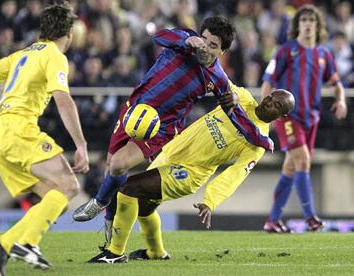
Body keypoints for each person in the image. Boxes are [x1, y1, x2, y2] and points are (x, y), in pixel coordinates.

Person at [73, 16, 273, 244]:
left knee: (119, 165)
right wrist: (188, 42)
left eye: (213, 45)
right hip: (135, 111)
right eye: (204, 39)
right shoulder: (184, 38)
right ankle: (109, 216)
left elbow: (236, 115)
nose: (205, 47)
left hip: (159, 127)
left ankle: (98, 203)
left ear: (222, 52)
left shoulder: (218, 79)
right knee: (112, 166)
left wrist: (261, 139)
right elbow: (159, 35)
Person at [86, 84, 295, 263]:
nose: (269, 102)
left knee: (129, 189)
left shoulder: (257, 142)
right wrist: (229, 95)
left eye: (277, 105)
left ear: (282, 116)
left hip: (190, 172)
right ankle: (156, 253)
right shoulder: (245, 99)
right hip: (171, 153)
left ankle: (115, 253)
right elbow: (227, 86)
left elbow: (235, 175)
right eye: (271, 97)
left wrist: (211, 200)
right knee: (143, 207)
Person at [0, 4, 89, 276]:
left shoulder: (23, 53)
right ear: (70, 33)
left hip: (2, 134)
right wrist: (80, 144)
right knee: (70, 186)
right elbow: (63, 100)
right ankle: (28, 243)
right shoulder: (55, 55)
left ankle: (2, 245)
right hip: (20, 129)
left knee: (54, 198)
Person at [261, 4, 347, 233]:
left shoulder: (324, 54)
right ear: (297, 25)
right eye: (304, 20)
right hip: (288, 117)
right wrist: (265, 112)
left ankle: (272, 220)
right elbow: (268, 82)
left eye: (312, 20)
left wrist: (341, 100)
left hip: (312, 118)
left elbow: (336, 83)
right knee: (303, 160)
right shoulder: (284, 51)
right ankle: (311, 217)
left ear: (318, 26)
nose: (308, 24)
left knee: (291, 167)